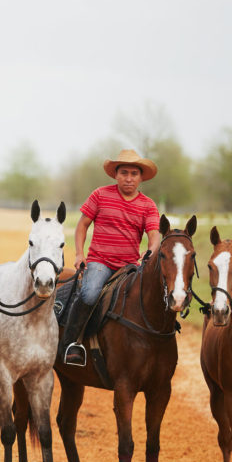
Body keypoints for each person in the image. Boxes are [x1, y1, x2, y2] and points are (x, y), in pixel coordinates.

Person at [59, 148, 161, 366]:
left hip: (130, 266)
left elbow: (155, 237)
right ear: (116, 174)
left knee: (147, 300)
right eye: (124, 172)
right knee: (89, 295)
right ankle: (70, 343)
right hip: (100, 262)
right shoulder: (100, 195)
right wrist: (79, 253)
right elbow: (82, 226)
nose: (129, 178)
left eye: (134, 173)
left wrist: (150, 252)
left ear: (141, 177)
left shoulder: (148, 205)